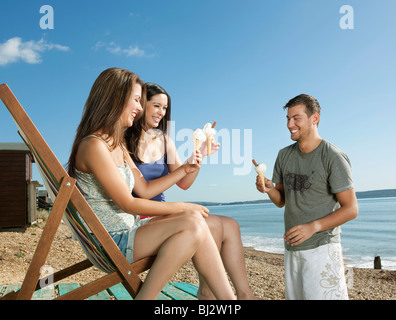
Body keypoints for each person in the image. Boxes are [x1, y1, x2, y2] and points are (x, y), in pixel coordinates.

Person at [67, 67, 236, 300]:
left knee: (197, 222)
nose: (139, 108)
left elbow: (144, 190)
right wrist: (184, 206)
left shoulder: (117, 146)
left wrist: (186, 168)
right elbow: (128, 203)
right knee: (194, 223)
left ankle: (228, 301)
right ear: (115, 99)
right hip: (112, 243)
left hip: (130, 233)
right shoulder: (94, 146)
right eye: (136, 100)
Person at [125, 82, 258, 300]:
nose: (161, 112)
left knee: (230, 225)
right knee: (212, 224)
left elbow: (184, 183)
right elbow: (144, 191)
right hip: (143, 213)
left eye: (165, 108)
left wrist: (201, 155)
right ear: (141, 104)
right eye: (156, 106)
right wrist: (185, 169)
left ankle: (244, 295)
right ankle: (209, 293)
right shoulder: (124, 141)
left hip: (163, 212)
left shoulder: (164, 140)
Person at [255, 94, 358, 300]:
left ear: (314, 118)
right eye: (287, 118)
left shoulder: (333, 157)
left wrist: (314, 227)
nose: (290, 124)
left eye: (296, 118)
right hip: (292, 248)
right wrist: (269, 189)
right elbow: (281, 200)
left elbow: (351, 209)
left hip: (323, 248)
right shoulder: (284, 155)